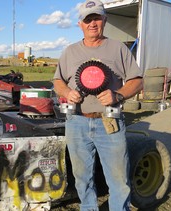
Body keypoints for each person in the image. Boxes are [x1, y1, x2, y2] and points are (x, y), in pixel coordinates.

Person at [52, 0, 143, 210]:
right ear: (80, 24)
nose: (92, 23)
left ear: (105, 20)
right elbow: (58, 80)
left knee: (118, 179)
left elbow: (137, 81)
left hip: (109, 122)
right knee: (82, 177)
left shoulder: (118, 48)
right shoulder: (70, 51)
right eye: (88, 19)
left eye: (96, 18)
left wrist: (118, 95)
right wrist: (67, 92)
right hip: (76, 122)